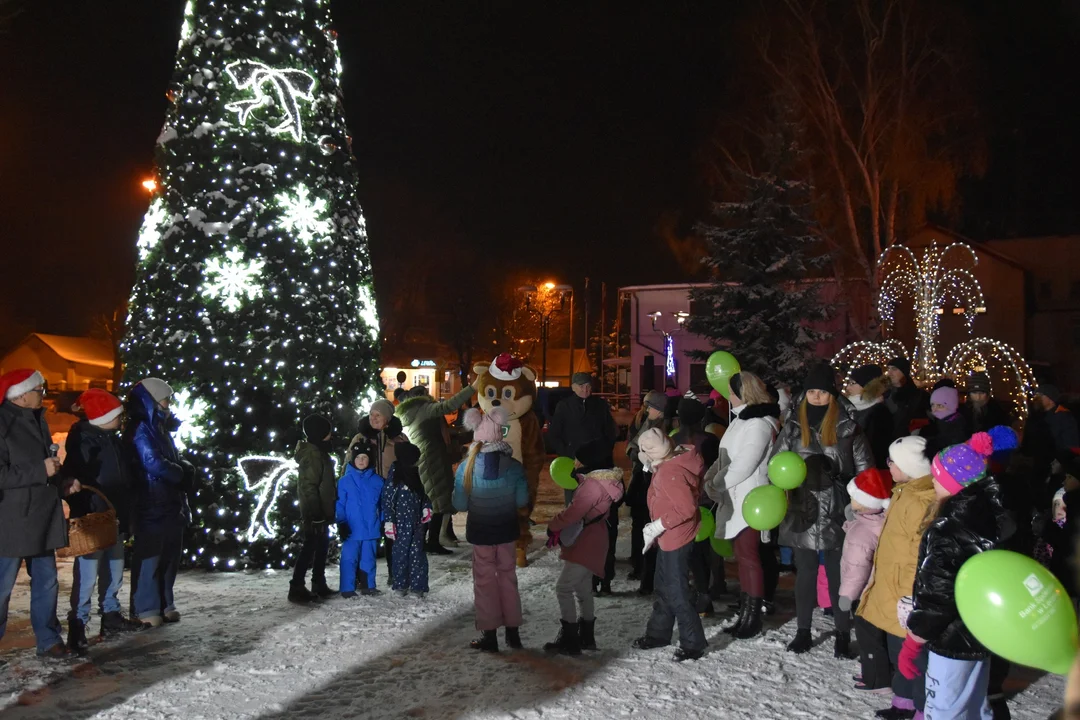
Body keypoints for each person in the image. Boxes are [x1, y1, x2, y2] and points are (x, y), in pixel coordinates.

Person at [903, 434, 1010, 719]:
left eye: (937, 478)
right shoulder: (991, 514)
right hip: (983, 633)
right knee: (975, 706)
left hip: (953, 641)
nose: (933, 483)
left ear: (953, 484)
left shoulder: (949, 531)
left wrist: (913, 639)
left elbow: (938, 596)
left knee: (944, 711)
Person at [776, 363, 872, 657]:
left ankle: (842, 633)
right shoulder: (793, 427)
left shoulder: (848, 429)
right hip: (801, 508)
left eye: (823, 392)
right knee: (804, 573)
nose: (817, 397)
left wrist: (840, 480)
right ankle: (802, 631)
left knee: (838, 575)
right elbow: (776, 463)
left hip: (837, 511)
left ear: (833, 395)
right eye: (812, 392)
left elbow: (865, 472)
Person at [855, 436, 936, 720]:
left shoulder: (919, 500)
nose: (888, 464)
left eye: (893, 461)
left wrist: (916, 592)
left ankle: (922, 709)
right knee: (897, 648)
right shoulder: (904, 491)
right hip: (893, 585)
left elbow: (922, 551)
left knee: (915, 655)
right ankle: (902, 703)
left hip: (907, 589)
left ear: (910, 467)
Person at [0, 369, 79, 660]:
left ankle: (48, 639)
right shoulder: (2, 423)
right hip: (10, 519)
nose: (44, 395)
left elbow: (47, 464)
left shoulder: (38, 419)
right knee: (2, 587)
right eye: (39, 390)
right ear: (21, 395)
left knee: (47, 581)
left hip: (42, 516)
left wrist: (61, 483)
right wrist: (40, 471)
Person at [703, 372, 780, 640]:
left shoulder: (758, 423)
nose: (728, 395)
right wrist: (712, 476)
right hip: (736, 496)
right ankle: (746, 613)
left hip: (750, 499)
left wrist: (717, 484)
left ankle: (754, 616)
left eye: (731, 390)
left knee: (749, 557)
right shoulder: (741, 420)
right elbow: (725, 457)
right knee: (743, 556)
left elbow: (745, 464)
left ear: (743, 392)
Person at [63, 389, 141, 653]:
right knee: (87, 573)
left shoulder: (112, 440)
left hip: (113, 514)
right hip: (93, 517)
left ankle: (111, 614)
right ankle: (78, 622)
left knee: (115, 567)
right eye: (116, 414)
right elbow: (75, 476)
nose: (121, 418)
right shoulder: (84, 441)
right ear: (102, 417)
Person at [630, 428, 708, 662]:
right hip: (671, 534)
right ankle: (658, 633)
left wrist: (658, 525)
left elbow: (686, 509)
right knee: (663, 585)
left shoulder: (669, 473)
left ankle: (693, 643)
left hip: (675, 535)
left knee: (676, 590)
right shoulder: (673, 460)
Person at [454, 407, 528, 651]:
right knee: (508, 579)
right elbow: (521, 501)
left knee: (485, 582)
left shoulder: (467, 467)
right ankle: (513, 633)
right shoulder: (515, 466)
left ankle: (489, 635)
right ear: (500, 434)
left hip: (481, 533)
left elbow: (459, 503)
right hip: (506, 531)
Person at [126, 378, 194, 627]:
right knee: (151, 556)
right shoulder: (142, 427)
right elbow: (152, 461)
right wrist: (179, 473)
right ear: (153, 400)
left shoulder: (160, 426)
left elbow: (168, 457)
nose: (169, 403)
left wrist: (180, 468)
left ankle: (165, 601)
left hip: (169, 499)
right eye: (166, 398)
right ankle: (145, 606)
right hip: (152, 500)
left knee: (168, 556)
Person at [544, 464, 624, 655]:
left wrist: (553, 524)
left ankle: (570, 639)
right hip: (595, 538)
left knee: (563, 588)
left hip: (585, 542)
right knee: (583, 590)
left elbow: (574, 512)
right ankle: (586, 638)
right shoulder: (607, 483)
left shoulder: (592, 486)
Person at [396, 382, 477, 555]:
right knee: (438, 500)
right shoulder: (424, 408)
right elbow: (450, 405)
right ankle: (432, 541)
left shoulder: (407, 412)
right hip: (432, 457)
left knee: (431, 500)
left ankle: (427, 539)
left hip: (422, 457)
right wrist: (474, 387)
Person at [837, 468, 893, 689]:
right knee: (878, 635)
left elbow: (856, 568)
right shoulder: (879, 521)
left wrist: (846, 596)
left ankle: (875, 679)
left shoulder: (863, 532)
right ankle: (881, 673)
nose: (851, 500)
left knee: (868, 637)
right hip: (878, 591)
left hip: (864, 594)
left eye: (855, 497)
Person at [349, 399, 407, 584]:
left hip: (392, 495)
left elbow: (410, 465)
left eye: (378, 415)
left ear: (387, 419)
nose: (373, 418)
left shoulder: (399, 439)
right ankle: (362, 576)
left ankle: (395, 573)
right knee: (366, 536)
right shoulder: (360, 439)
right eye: (371, 414)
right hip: (366, 497)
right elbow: (348, 465)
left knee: (392, 535)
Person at [674, 396, 724, 606]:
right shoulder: (710, 440)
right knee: (708, 546)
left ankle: (696, 587)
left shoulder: (674, 440)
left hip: (681, 499)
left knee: (689, 547)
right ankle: (713, 585)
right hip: (706, 499)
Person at [547, 372, 618, 504]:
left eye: (588, 386)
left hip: (598, 463)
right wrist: (568, 454)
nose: (585, 389)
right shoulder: (564, 406)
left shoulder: (600, 405)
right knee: (574, 502)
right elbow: (555, 435)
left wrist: (602, 454)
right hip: (573, 462)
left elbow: (610, 433)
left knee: (599, 501)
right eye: (580, 386)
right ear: (573, 387)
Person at [289, 413, 338, 603]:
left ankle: (319, 582)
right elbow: (309, 487)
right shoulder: (313, 455)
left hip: (321, 510)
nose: (330, 435)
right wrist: (316, 514)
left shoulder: (319, 451)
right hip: (314, 512)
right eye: (327, 432)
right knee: (310, 546)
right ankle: (296, 586)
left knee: (322, 545)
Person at [626, 389, 668, 592]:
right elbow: (632, 446)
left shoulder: (663, 427)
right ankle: (639, 565)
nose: (646, 409)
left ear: (659, 410)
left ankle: (648, 574)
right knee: (638, 524)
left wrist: (639, 454)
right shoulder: (644, 422)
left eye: (649, 406)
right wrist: (635, 453)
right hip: (640, 482)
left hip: (653, 483)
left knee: (650, 528)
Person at [336, 437, 385, 597]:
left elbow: (382, 504)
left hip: (371, 528)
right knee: (349, 559)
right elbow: (340, 503)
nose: (361, 460)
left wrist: (384, 521)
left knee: (368, 559)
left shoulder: (378, 481)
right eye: (358, 457)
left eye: (364, 457)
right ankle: (347, 588)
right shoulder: (344, 481)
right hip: (351, 529)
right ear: (353, 459)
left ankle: (368, 585)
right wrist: (341, 522)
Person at [383, 441, 432, 598]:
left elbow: (422, 495)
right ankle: (400, 584)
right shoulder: (395, 477)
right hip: (400, 524)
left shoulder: (415, 475)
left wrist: (426, 507)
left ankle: (418, 586)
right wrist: (389, 521)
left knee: (417, 554)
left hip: (417, 523)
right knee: (400, 554)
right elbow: (388, 500)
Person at [844, 364, 894, 469]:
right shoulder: (847, 407)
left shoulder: (879, 412)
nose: (848, 387)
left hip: (869, 470)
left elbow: (878, 449)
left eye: (853, 383)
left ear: (867, 386)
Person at [885, 357, 930, 439]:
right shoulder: (885, 395)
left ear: (904, 371)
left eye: (894, 369)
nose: (889, 373)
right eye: (888, 369)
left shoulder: (919, 396)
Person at [922, 386, 972, 457]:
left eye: (940, 406)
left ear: (951, 406)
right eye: (932, 405)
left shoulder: (958, 428)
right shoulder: (942, 421)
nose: (934, 409)